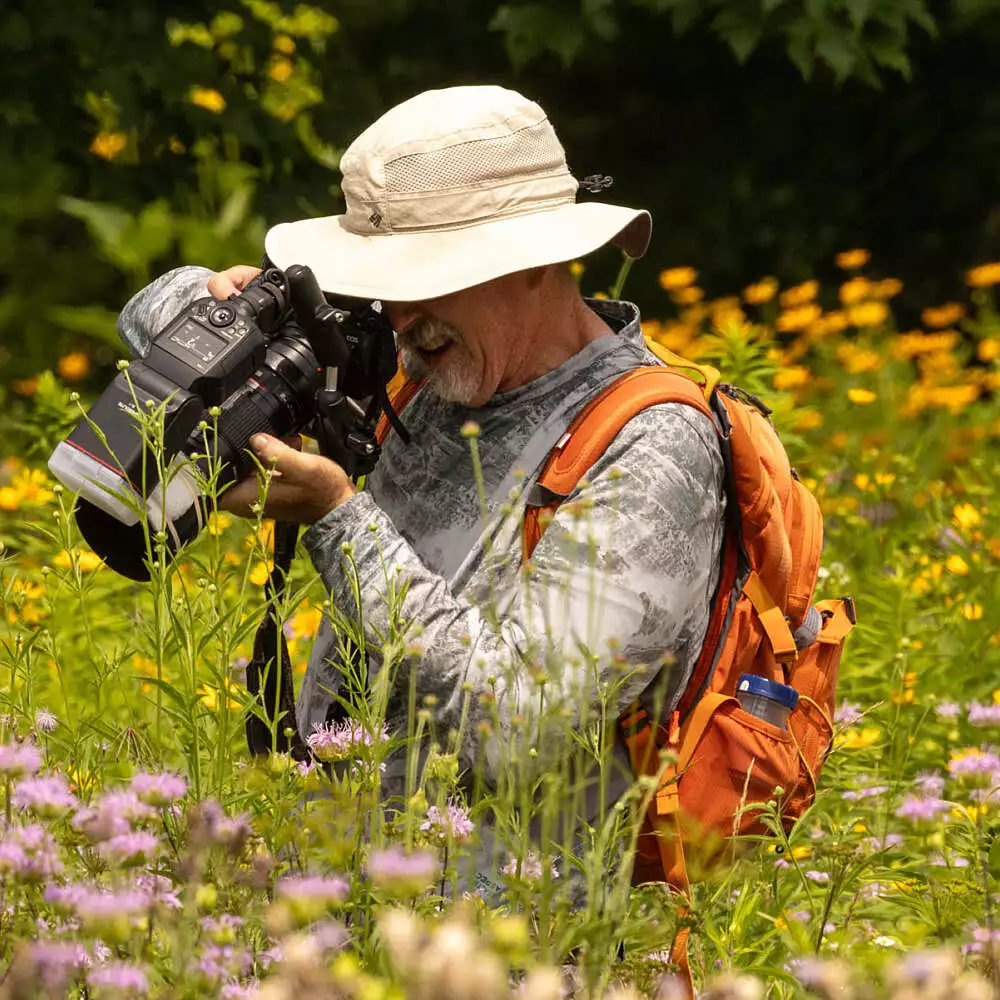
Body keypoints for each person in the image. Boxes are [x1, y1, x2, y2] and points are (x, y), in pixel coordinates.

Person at [134, 84, 727, 892]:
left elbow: (521, 724)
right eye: (385, 281)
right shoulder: (433, 359)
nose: (400, 312)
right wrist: (227, 312)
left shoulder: (652, 446)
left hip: (515, 948)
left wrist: (337, 518)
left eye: (429, 278)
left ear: (537, 261)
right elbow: (145, 318)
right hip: (341, 918)